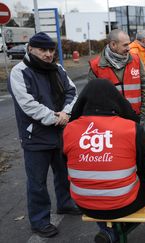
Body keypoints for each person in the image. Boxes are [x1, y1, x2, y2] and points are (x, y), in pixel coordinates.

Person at [63, 79, 145, 243]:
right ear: (116, 101)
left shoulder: (69, 129)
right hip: (123, 203)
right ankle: (118, 232)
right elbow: (144, 167)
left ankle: (107, 231)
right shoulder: (132, 128)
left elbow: (66, 164)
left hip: (83, 203)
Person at [7, 32, 80, 238]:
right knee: (37, 182)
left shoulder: (57, 69)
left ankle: (65, 204)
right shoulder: (19, 72)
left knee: (64, 174)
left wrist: (66, 113)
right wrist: (54, 117)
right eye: (43, 50)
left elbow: (72, 92)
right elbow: (27, 103)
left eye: (51, 50)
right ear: (31, 49)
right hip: (36, 136)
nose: (48, 54)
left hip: (61, 131)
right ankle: (39, 220)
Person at [88, 29, 145, 132]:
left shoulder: (135, 60)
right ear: (113, 45)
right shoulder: (96, 67)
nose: (128, 48)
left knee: (143, 147)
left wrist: (143, 115)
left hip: (138, 120)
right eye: (125, 45)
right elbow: (92, 99)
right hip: (110, 125)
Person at [129, 30, 145, 98]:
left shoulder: (141, 49)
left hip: (144, 89)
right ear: (143, 40)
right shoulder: (134, 52)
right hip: (141, 91)